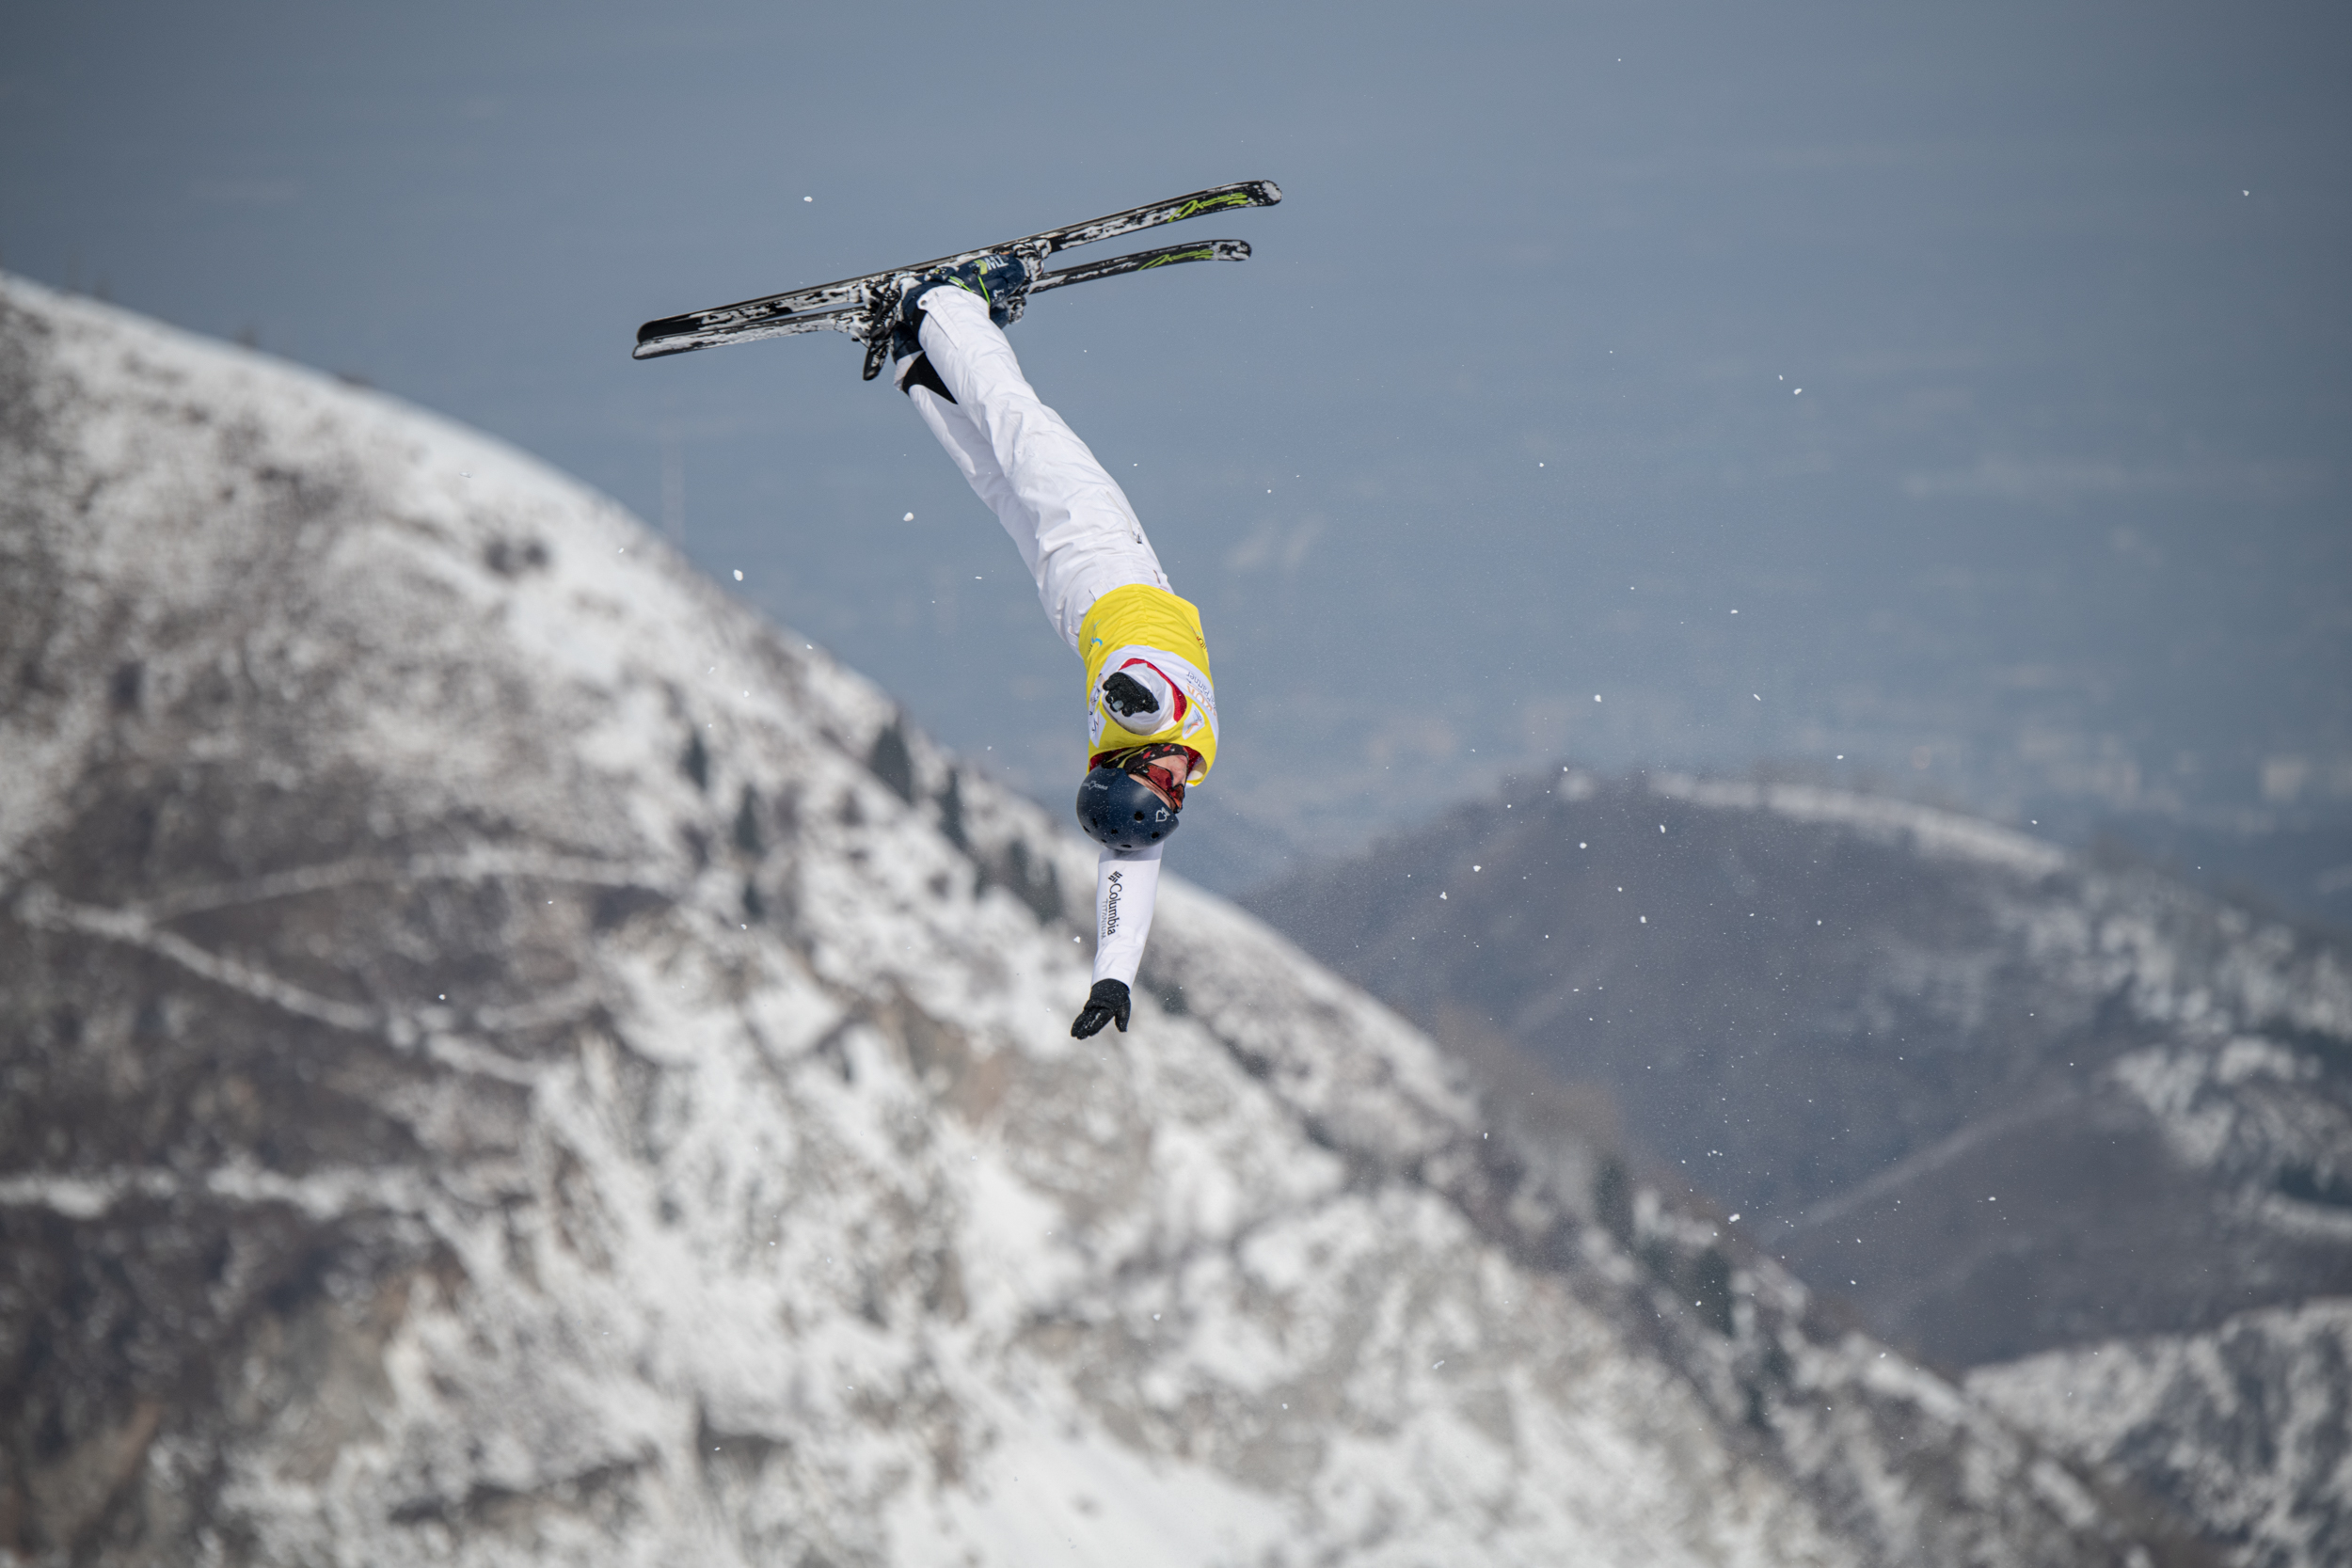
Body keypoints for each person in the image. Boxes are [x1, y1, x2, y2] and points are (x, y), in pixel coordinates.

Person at [887, 253, 1217, 1041]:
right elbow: (1127, 876)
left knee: (1022, 426)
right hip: (1074, 605)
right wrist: (1112, 975)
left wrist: (1129, 699)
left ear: (1131, 765)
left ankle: (945, 306)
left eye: (1164, 787)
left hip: (1107, 568)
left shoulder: (1144, 723)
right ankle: (916, 360)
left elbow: (1127, 694)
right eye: (1174, 797)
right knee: (998, 477)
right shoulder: (1137, 799)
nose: (1179, 786)